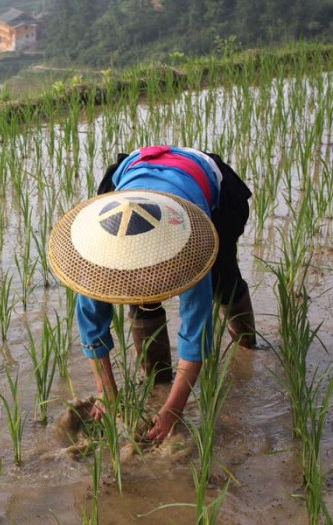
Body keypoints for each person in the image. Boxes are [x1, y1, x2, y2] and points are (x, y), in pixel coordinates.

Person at [71, 145, 255, 442]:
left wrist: (173, 409)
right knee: (142, 301)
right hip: (132, 181)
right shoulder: (100, 259)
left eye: (145, 268)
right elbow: (91, 325)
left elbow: (196, 334)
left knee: (224, 279)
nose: (139, 276)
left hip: (205, 182)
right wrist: (106, 393)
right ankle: (158, 379)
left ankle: (247, 344)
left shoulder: (190, 247)